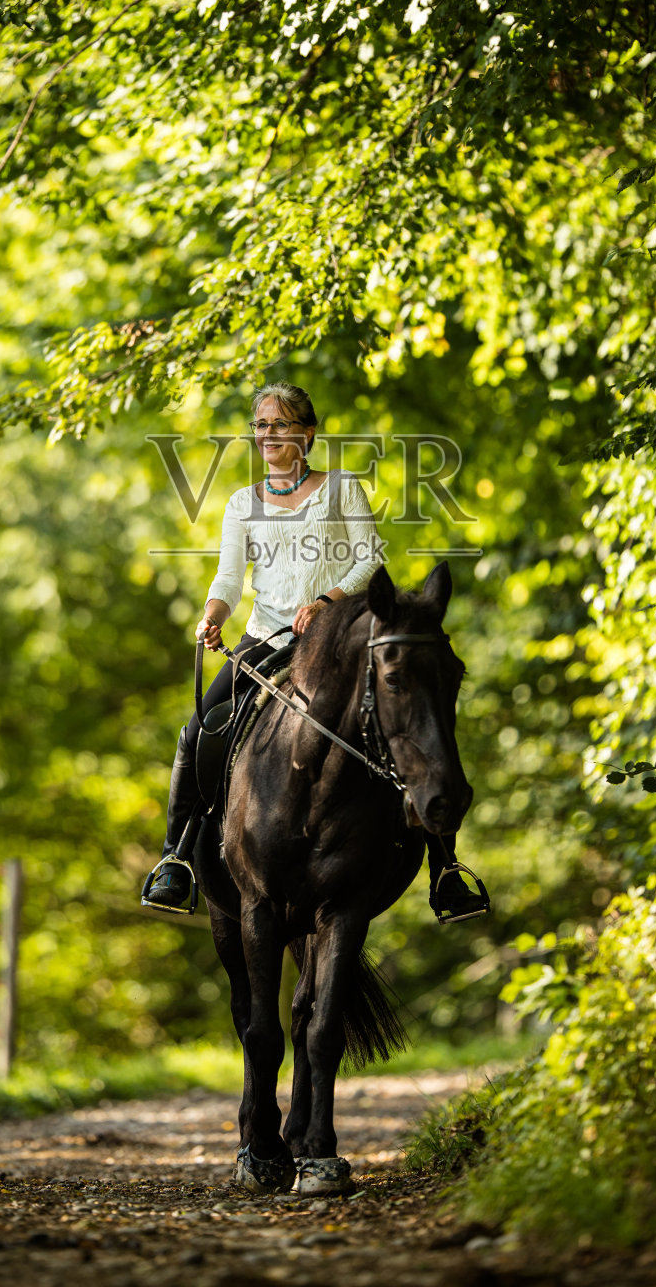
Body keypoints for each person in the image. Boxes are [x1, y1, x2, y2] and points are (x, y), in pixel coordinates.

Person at [141, 381, 487, 921]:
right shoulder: (241, 503)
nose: (268, 435)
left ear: (307, 432)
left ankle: (446, 868)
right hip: (266, 638)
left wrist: (327, 600)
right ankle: (176, 858)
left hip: (336, 641)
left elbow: (370, 557)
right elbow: (229, 579)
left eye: (280, 425)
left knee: (412, 712)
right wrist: (212, 615)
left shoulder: (342, 487)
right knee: (196, 732)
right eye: (260, 425)